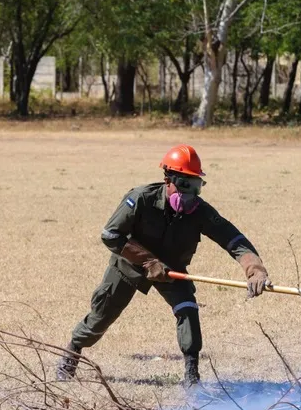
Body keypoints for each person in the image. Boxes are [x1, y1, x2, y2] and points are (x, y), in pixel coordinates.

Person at [58, 145, 271, 387]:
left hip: (172, 270)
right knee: (101, 317)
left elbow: (233, 239)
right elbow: (110, 235)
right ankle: (72, 353)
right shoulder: (140, 198)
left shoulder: (200, 211)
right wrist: (148, 261)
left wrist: (254, 269)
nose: (190, 193)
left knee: (188, 309)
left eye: (195, 185)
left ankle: (192, 376)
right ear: (167, 179)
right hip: (128, 266)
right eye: (183, 184)